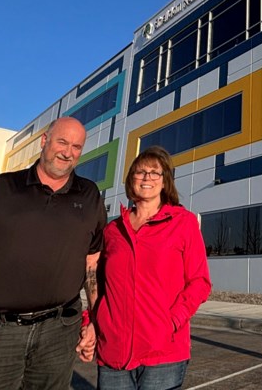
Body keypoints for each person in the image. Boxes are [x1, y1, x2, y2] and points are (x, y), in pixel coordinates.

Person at [0, 116, 106, 389]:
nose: (68, 152)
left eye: (77, 147)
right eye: (62, 142)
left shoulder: (89, 194)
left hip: (60, 332)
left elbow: (92, 265)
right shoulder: (1, 188)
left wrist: (95, 322)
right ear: (44, 141)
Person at [92, 146, 212, 390]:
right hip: (114, 351)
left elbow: (200, 282)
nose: (147, 178)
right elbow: (97, 280)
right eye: (140, 172)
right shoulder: (113, 230)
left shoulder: (183, 223)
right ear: (130, 180)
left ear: (165, 181)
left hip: (163, 352)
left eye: (155, 173)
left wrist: (171, 322)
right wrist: (93, 322)